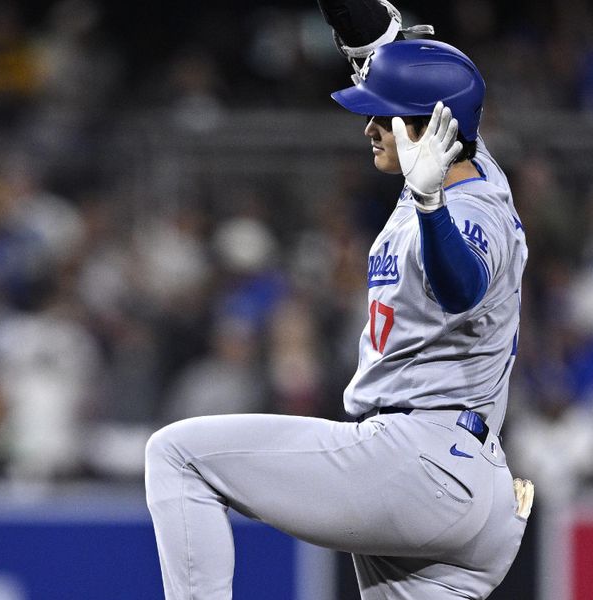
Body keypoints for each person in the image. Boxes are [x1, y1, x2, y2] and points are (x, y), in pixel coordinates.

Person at [145, 33, 533, 600]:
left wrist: (430, 207)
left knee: (178, 455)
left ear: (427, 128)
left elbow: (462, 288)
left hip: (421, 462)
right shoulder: (467, 163)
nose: (369, 128)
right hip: (464, 478)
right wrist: (374, 39)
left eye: (383, 116)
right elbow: (437, 89)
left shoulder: (467, 209)